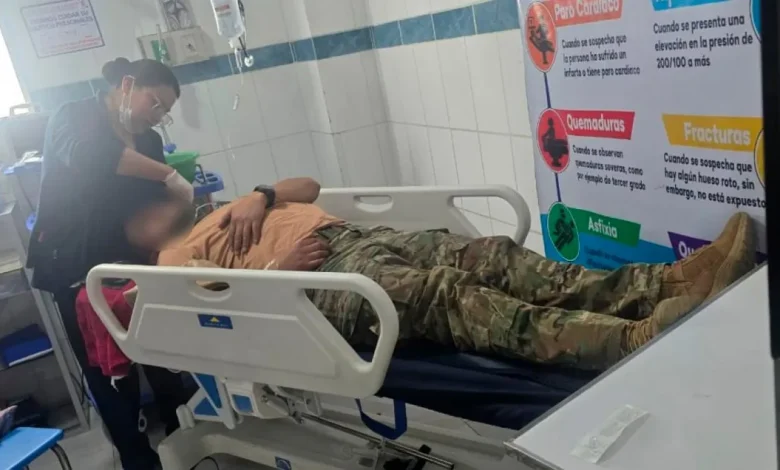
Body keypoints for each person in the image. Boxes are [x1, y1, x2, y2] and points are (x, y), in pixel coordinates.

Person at [143, 179, 756, 371]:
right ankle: (629, 338)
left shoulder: (232, 206)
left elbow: (309, 184)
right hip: (318, 282)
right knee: (449, 297)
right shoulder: (172, 257)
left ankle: (667, 284)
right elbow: (216, 305)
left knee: (494, 255)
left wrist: (259, 195)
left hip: (357, 240)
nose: (177, 186)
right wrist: (280, 270)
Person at [27, 57, 275, 470]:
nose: (157, 116)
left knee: (161, 353)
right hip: (75, 265)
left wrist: (180, 220)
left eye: (165, 111)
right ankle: (138, 458)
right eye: (154, 103)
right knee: (110, 372)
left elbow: (152, 210)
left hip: (131, 261)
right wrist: (167, 176)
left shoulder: (149, 141)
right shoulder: (73, 117)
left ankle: (180, 434)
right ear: (127, 85)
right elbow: (92, 158)